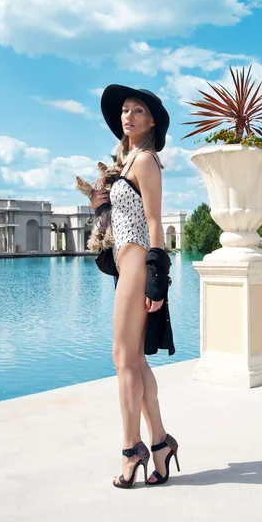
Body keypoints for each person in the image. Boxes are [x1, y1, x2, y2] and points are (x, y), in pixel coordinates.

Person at [89, 84, 179, 489]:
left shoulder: (145, 161)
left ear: (152, 121)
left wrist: (157, 278)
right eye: (125, 110)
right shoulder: (124, 165)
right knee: (135, 362)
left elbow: (155, 223)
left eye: (138, 110)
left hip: (140, 266)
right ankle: (159, 444)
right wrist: (102, 207)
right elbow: (120, 223)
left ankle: (132, 449)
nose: (128, 116)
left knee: (123, 358)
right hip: (126, 268)